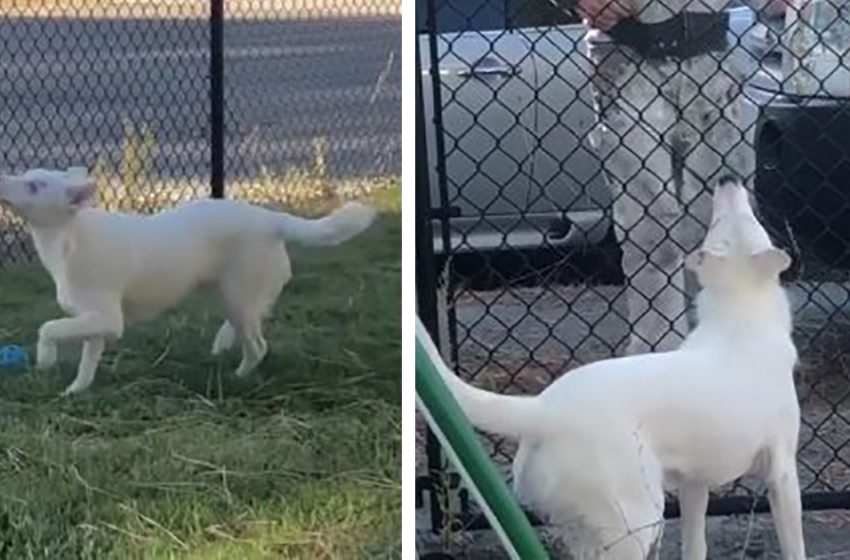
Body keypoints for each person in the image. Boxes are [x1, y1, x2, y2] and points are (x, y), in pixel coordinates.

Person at [575, 0, 786, 353]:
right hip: (627, 57)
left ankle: (722, 354)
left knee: (719, 216)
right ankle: (659, 360)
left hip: (712, 61)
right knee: (648, 223)